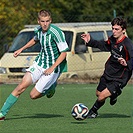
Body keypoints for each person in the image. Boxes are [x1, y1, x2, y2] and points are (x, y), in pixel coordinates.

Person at [0, 9, 69, 121]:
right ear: (38, 21)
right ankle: (2, 113)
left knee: (33, 95)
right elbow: (35, 40)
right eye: (42, 21)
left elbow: (64, 53)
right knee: (21, 86)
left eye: (47, 21)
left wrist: (52, 68)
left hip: (53, 67)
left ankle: (51, 87)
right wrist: (21, 49)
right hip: (39, 63)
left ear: (50, 20)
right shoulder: (38, 30)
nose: (45, 24)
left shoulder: (56, 32)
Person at [81, 17, 133, 118]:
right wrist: (90, 41)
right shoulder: (112, 39)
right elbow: (104, 45)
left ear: (124, 30)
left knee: (101, 97)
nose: (114, 31)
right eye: (113, 28)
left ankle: (92, 112)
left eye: (117, 29)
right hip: (109, 72)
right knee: (98, 93)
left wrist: (127, 63)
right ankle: (114, 94)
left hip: (120, 77)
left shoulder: (128, 44)